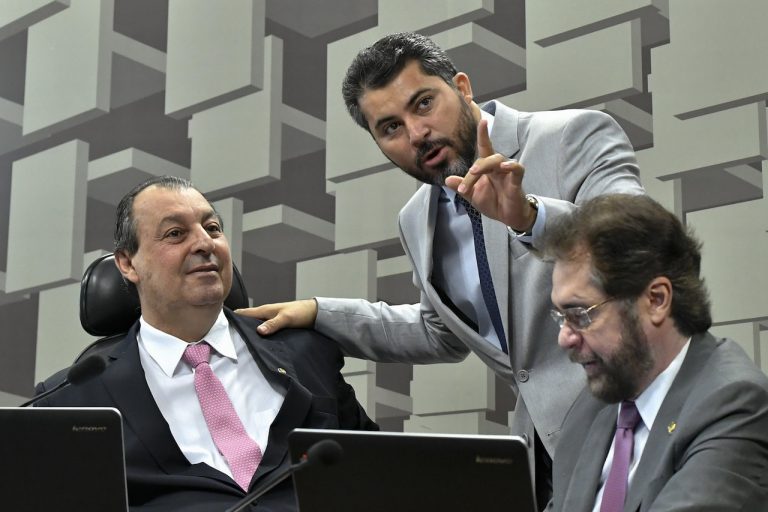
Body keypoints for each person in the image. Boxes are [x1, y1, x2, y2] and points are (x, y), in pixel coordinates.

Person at [239, 32, 643, 508]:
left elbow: (642, 244)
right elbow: (442, 332)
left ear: (463, 88)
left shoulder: (571, 135)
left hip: (633, 418)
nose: (416, 133)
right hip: (547, 454)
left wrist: (530, 218)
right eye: (390, 127)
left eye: (424, 103)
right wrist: (319, 313)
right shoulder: (416, 219)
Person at [36, 176, 377, 512]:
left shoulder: (306, 350)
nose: (204, 243)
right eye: (175, 233)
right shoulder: (71, 400)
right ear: (127, 263)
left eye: (212, 228)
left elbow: (378, 473)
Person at [543, 193, 768, 511]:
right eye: (561, 316)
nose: (564, 338)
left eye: (580, 314)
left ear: (656, 300)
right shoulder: (590, 410)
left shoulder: (734, 405)